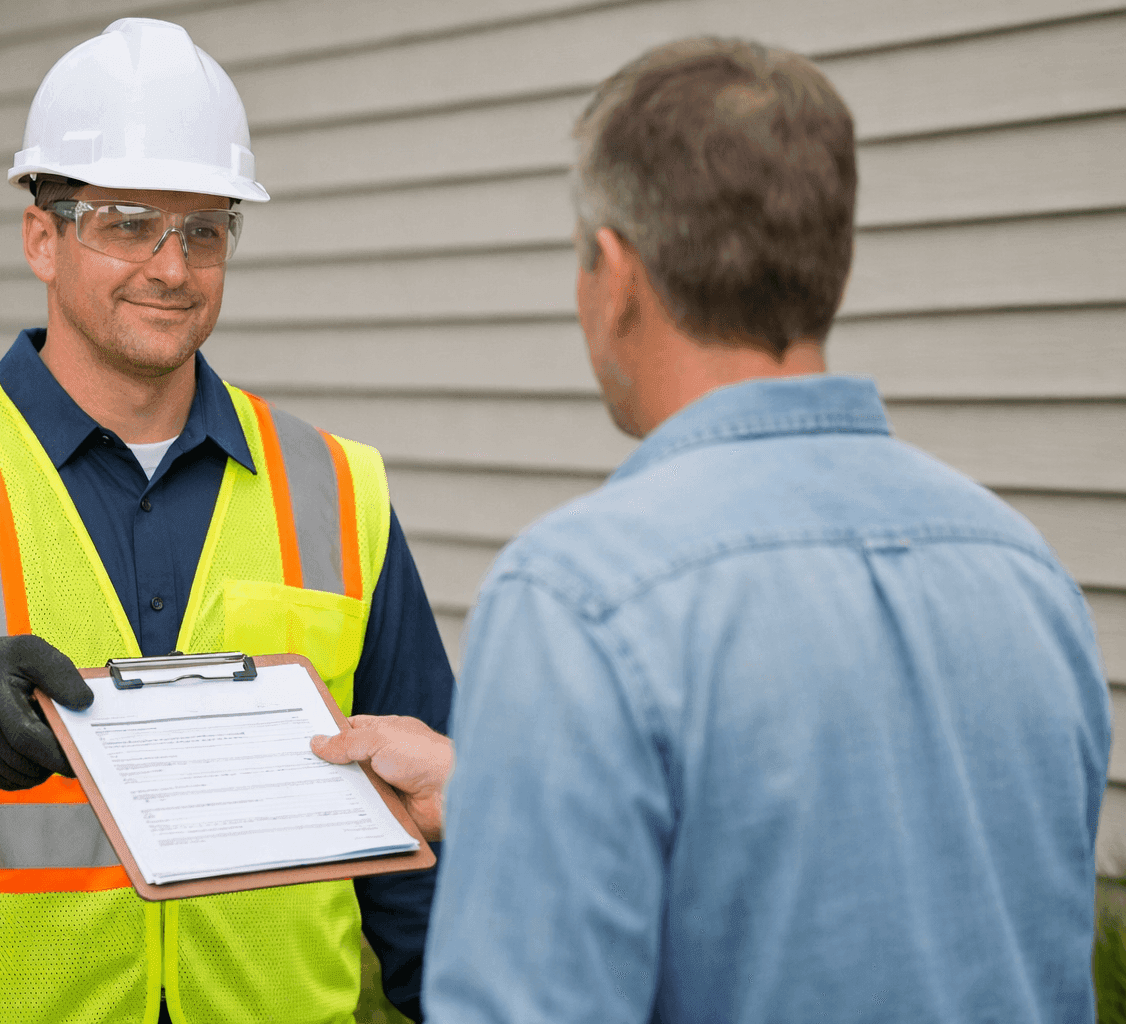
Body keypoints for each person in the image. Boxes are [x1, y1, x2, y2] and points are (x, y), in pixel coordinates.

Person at [313, 37, 1109, 1023]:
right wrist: (495, 799)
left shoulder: (578, 598)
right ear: (833, 264)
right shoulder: (1028, 577)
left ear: (615, 273)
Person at [0, 18, 450, 1024]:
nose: (172, 266)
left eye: (203, 227)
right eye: (127, 222)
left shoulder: (335, 487)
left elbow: (413, 833)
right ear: (43, 234)